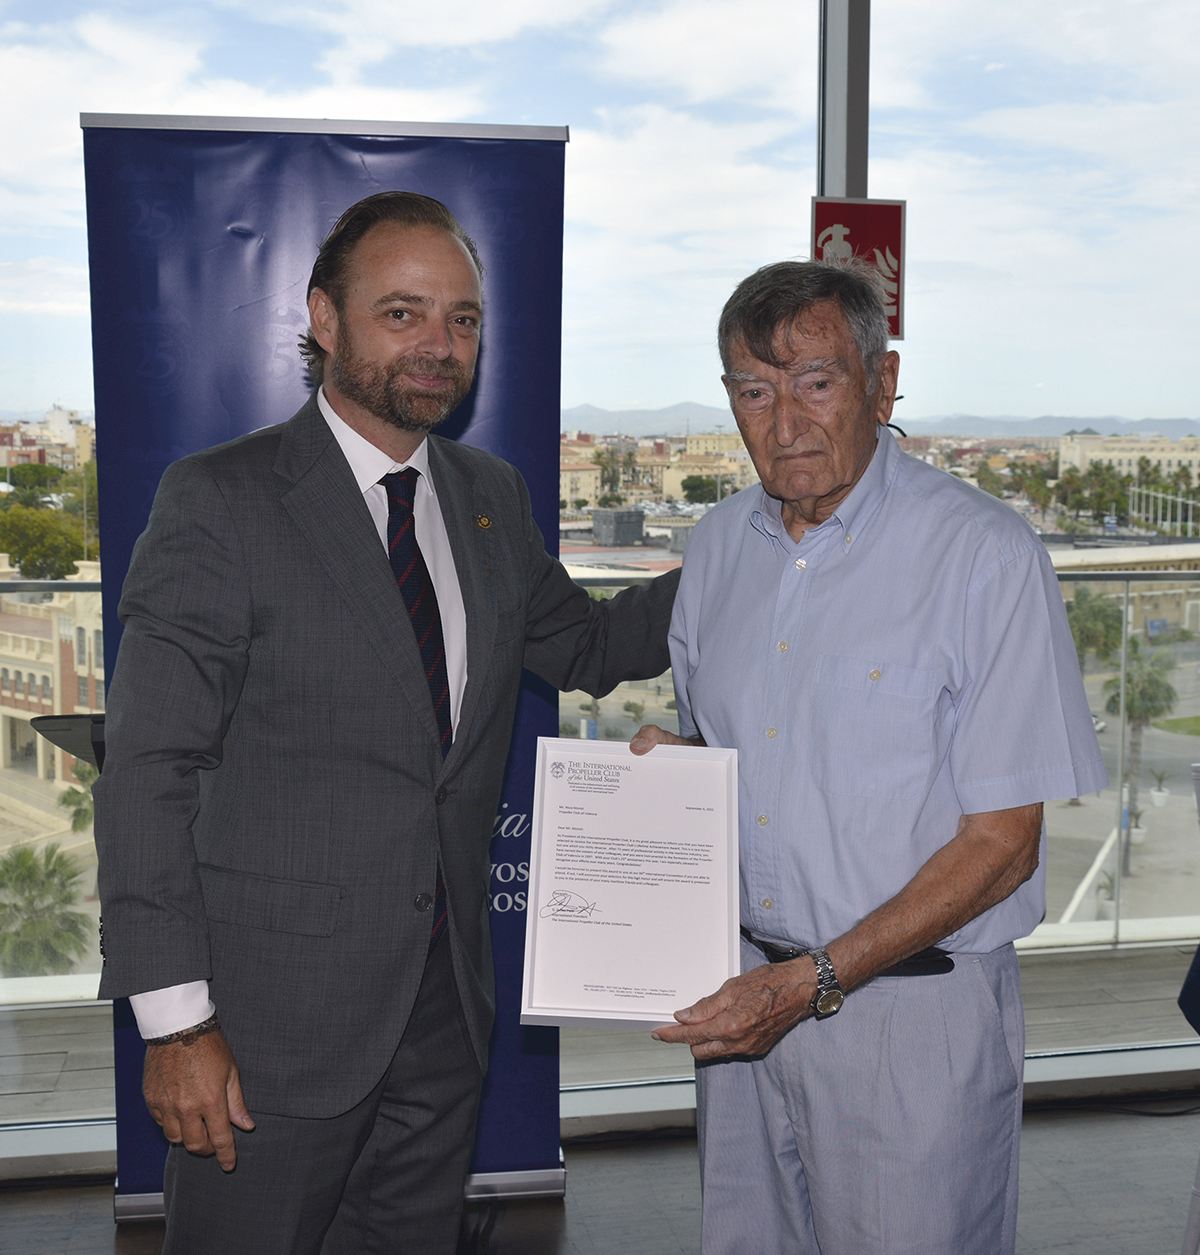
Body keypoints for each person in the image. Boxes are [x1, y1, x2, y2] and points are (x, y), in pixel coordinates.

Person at [93, 190, 678, 1254]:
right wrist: (177, 1023)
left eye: (463, 319)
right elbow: (147, 770)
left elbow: (589, 647)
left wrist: (751, 554)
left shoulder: (488, 496)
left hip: (445, 1015)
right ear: (326, 320)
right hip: (266, 1035)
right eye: (402, 312)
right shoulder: (221, 500)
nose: (438, 345)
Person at [632, 258, 1106, 1255]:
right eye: (754, 391)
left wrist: (811, 979)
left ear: (882, 384)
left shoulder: (984, 557)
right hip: (742, 1006)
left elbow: (1003, 845)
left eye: (817, 381)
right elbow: (748, 756)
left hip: (911, 1019)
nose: (785, 420)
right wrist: (680, 770)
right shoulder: (714, 550)